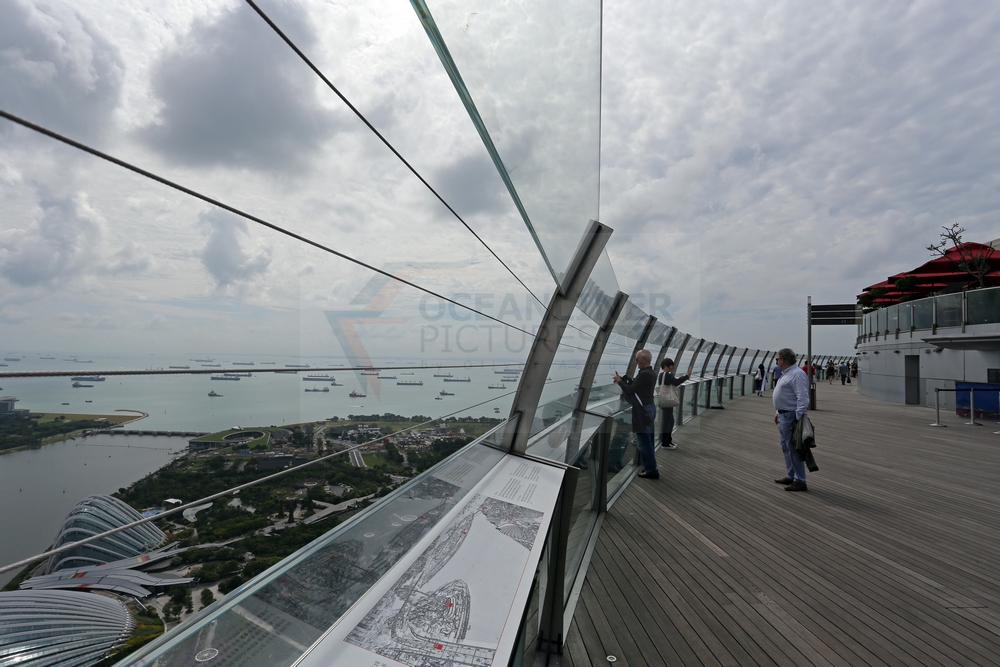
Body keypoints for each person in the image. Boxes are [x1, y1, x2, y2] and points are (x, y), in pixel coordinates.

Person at [614, 349, 658, 479]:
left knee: (644, 443)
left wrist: (619, 381)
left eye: (637, 359)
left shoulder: (644, 374)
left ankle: (651, 470)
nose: (636, 361)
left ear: (644, 360)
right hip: (649, 408)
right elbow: (637, 386)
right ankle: (650, 467)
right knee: (648, 440)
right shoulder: (651, 373)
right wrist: (624, 379)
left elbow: (631, 389)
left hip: (643, 411)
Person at [772, 347, 810, 492]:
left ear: (783, 360)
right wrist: (778, 412)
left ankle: (800, 480)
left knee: (793, 449)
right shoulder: (787, 373)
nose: (777, 361)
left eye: (777, 359)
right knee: (786, 447)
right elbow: (785, 395)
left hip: (791, 416)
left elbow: (803, 398)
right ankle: (791, 475)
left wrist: (798, 418)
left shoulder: (797, 374)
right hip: (783, 415)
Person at [656, 358, 689, 450]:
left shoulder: (662, 375)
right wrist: (687, 376)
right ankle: (665, 443)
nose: (671, 367)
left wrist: (680, 379)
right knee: (668, 423)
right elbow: (676, 382)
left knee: (670, 422)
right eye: (670, 365)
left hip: (665, 401)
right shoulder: (667, 374)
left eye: (672, 365)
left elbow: (673, 382)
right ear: (665, 366)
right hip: (668, 401)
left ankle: (668, 441)